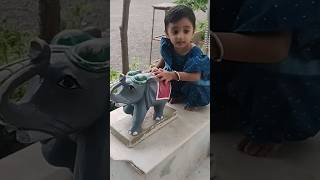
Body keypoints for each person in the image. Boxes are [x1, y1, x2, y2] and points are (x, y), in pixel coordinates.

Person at [212, 0, 320, 156]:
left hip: (286, 83)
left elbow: (274, 49)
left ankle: (271, 127)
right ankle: (227, 105)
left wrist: (206, 44)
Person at [151, 5, 210, 111]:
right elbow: (164, 58)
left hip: (190, 82)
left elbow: (196, 76)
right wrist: (156, 68)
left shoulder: (195, 52)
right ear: (167, 33)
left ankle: (190, 100)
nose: (180, 36)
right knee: (161, 79)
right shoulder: (168, 46)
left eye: (186, 31)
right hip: (174, 79)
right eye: (175, 32)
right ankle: (176, 95)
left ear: (193, 31)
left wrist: (173, 75)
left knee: (196, 86)